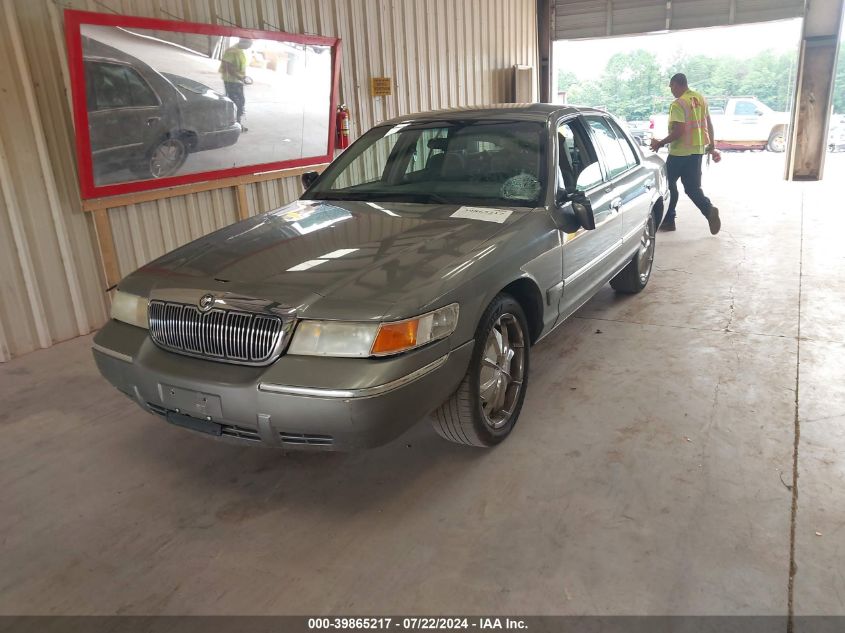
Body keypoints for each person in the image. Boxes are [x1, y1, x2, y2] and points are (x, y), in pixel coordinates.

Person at [650, 73, 720, 235]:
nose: (671, 90)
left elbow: (680, 130)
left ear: (676, 84)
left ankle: (669, 220)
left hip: (679, 153)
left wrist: (660, 143)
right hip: (697, 152)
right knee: (692, 188)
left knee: (668, 184)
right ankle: (708, 210)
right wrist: (712, 144)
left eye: (671, 87)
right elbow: (708, 123)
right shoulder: (700, 99)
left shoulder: (678, 104)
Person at [219, 38, 252, 131]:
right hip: (231, 81)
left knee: (240, 102)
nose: (250, 46)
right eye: (250, 44)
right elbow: (228, 67)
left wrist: (242, 78)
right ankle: (232, 125)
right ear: (243, 42)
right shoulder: (232, 51)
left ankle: (237, 123)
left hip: (237, 81)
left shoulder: (240, 50)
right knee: (235, 103)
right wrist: (240, 77)